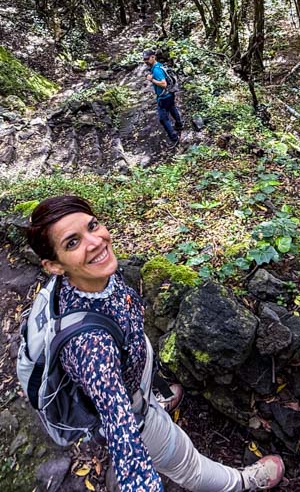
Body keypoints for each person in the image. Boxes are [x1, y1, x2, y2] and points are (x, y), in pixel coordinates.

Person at [24, 195, 285, 492]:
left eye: (92, 225)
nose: (95, 241)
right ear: (54, 265)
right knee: (188, 465)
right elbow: (121, 430)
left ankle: (153, 400)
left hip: (134, 381)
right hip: (134, 414)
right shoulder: (90, 347)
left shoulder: (87, 279)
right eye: (72, 243)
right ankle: (242, 483)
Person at [143, 49, 183, 146]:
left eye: (147, 59)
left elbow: (164, 84)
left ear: (153, 57)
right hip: (170, 93)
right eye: (144, 59)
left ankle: (174, 138)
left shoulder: (156, 70)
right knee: (172, 108)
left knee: (163, 119)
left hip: (164, 97)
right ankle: (179, 124)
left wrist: (152, 79)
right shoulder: (159, 65)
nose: (146, 61)